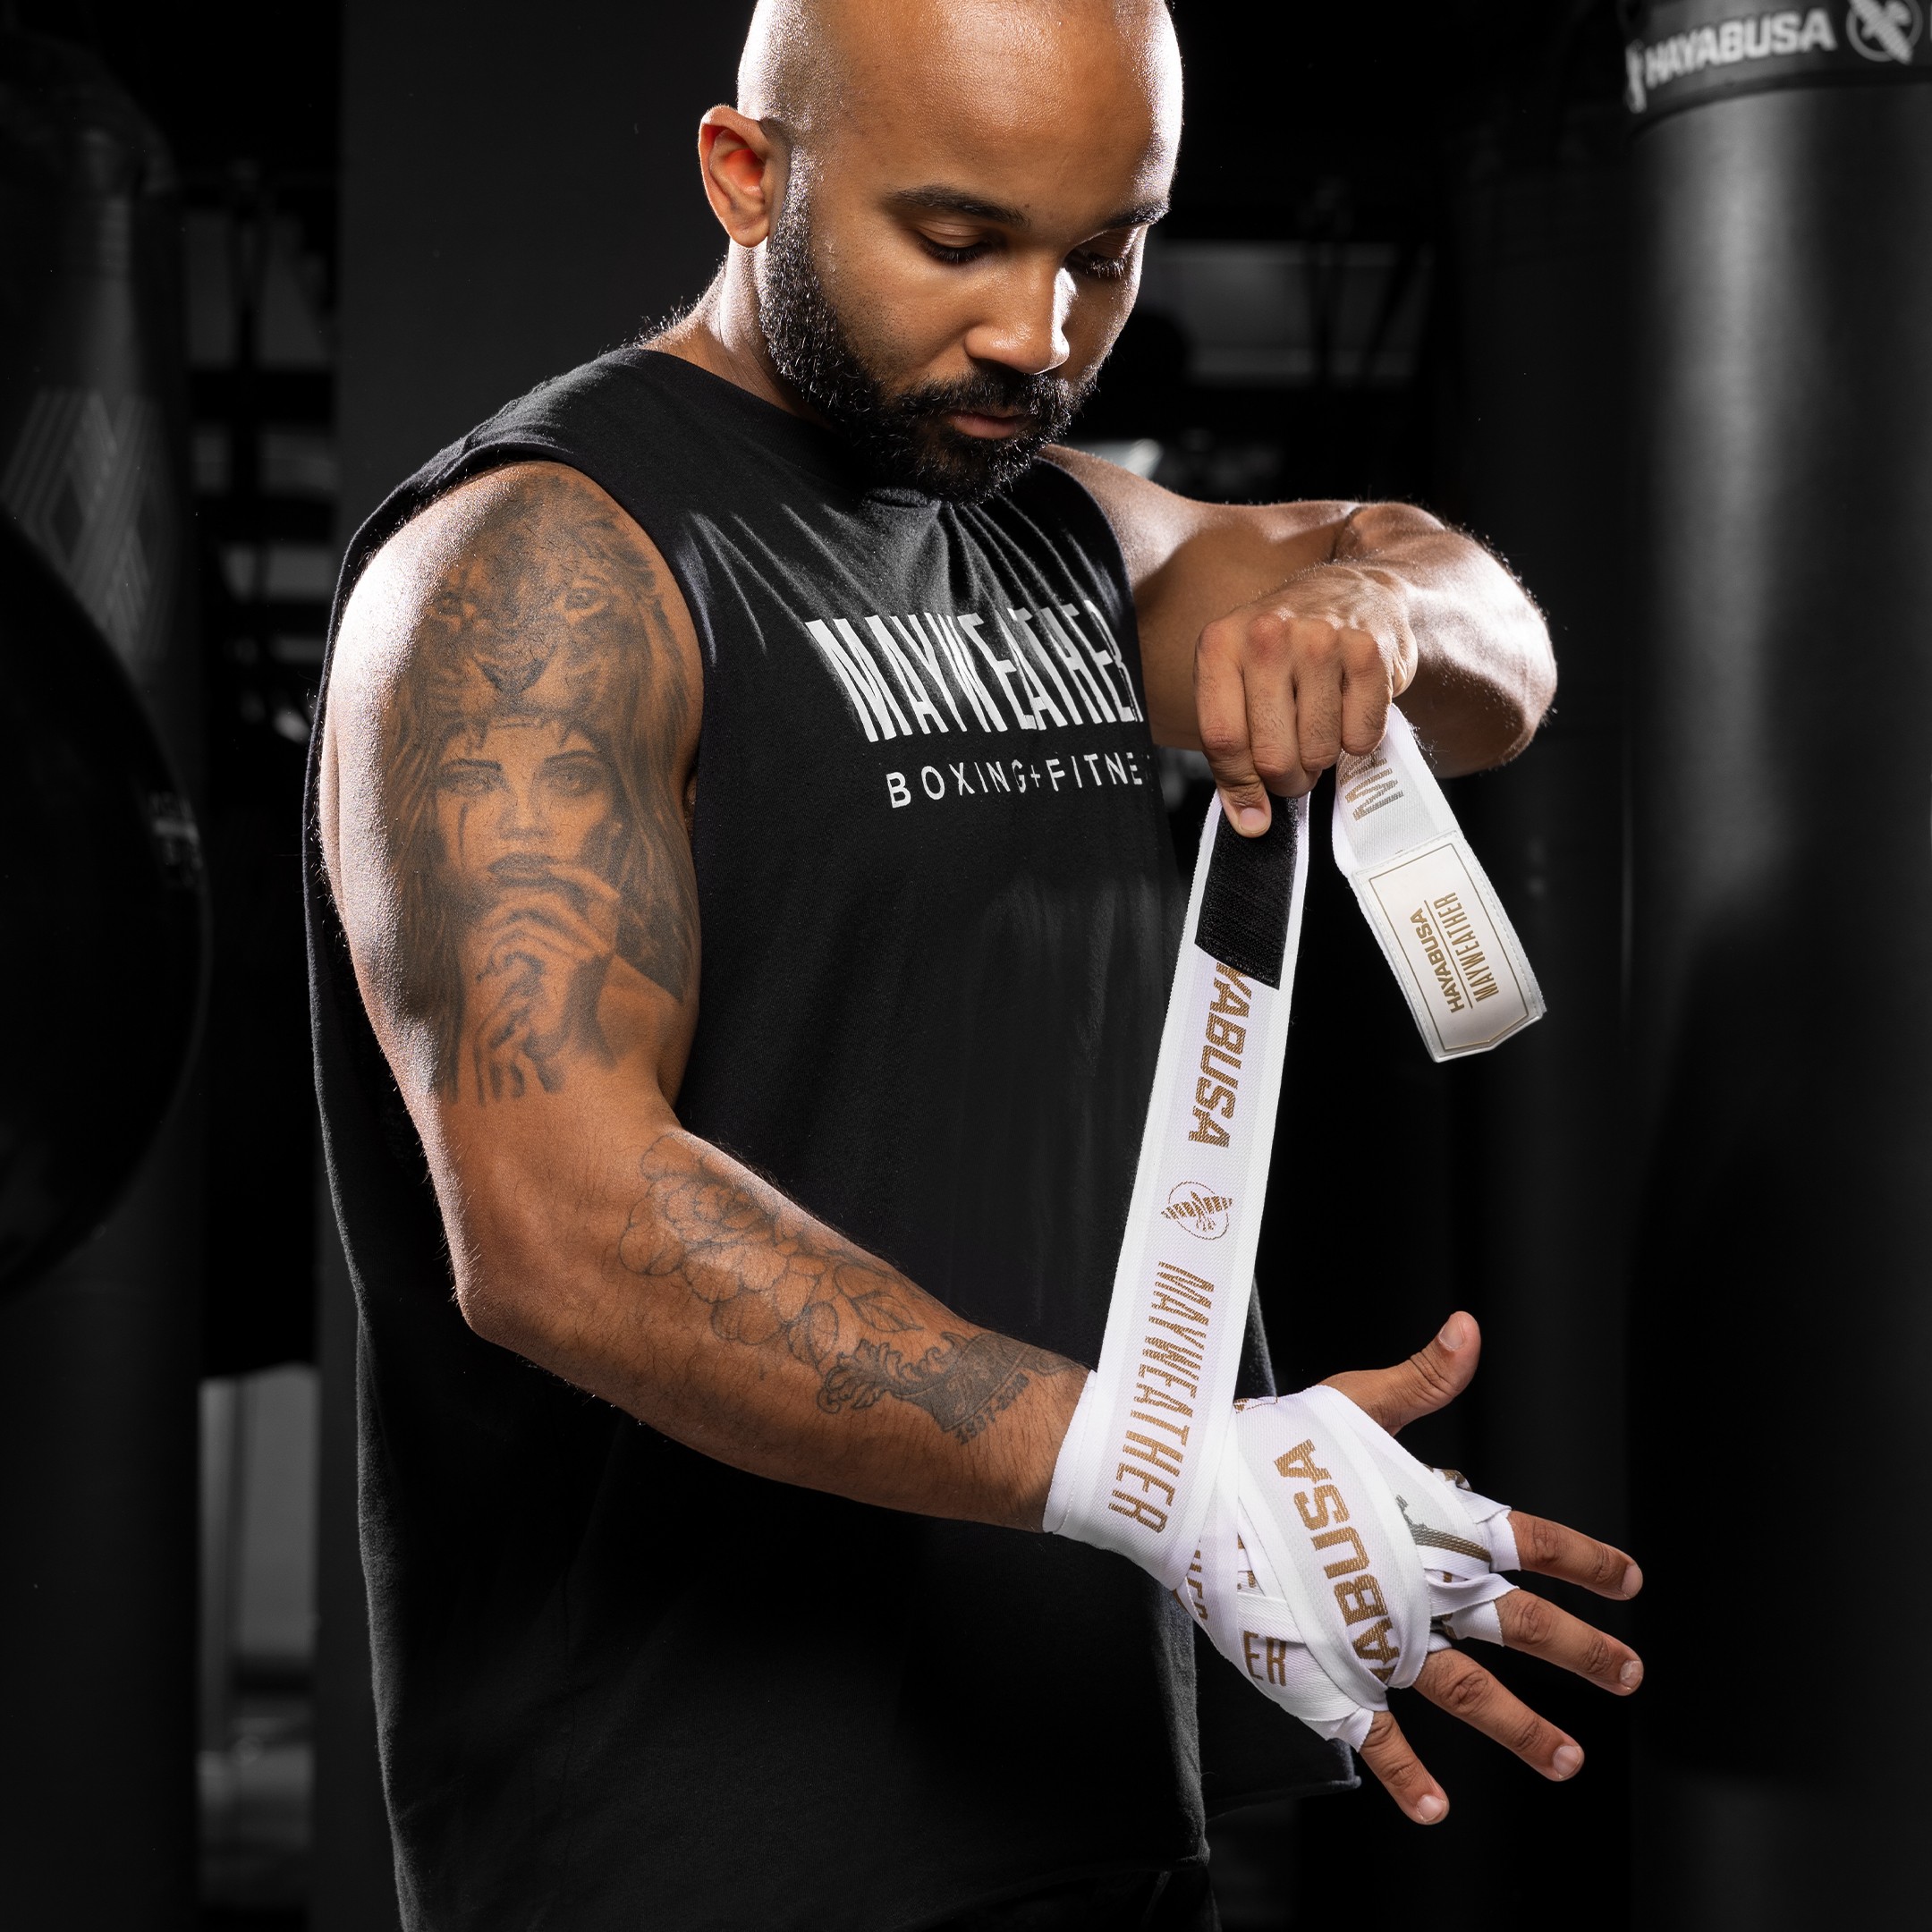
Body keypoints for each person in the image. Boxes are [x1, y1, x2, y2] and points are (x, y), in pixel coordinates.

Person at [309, 2, 1643, 1926]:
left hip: (1079, 1778)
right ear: (746, 175)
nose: (1038, 333)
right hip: (689, 1842)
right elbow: (556, 1222)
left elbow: (1498, 668)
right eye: (959, 242)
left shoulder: (1059, 539)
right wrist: (1160, 1469)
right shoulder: (539, 567)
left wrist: (1366, 615)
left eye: (1107, 250)